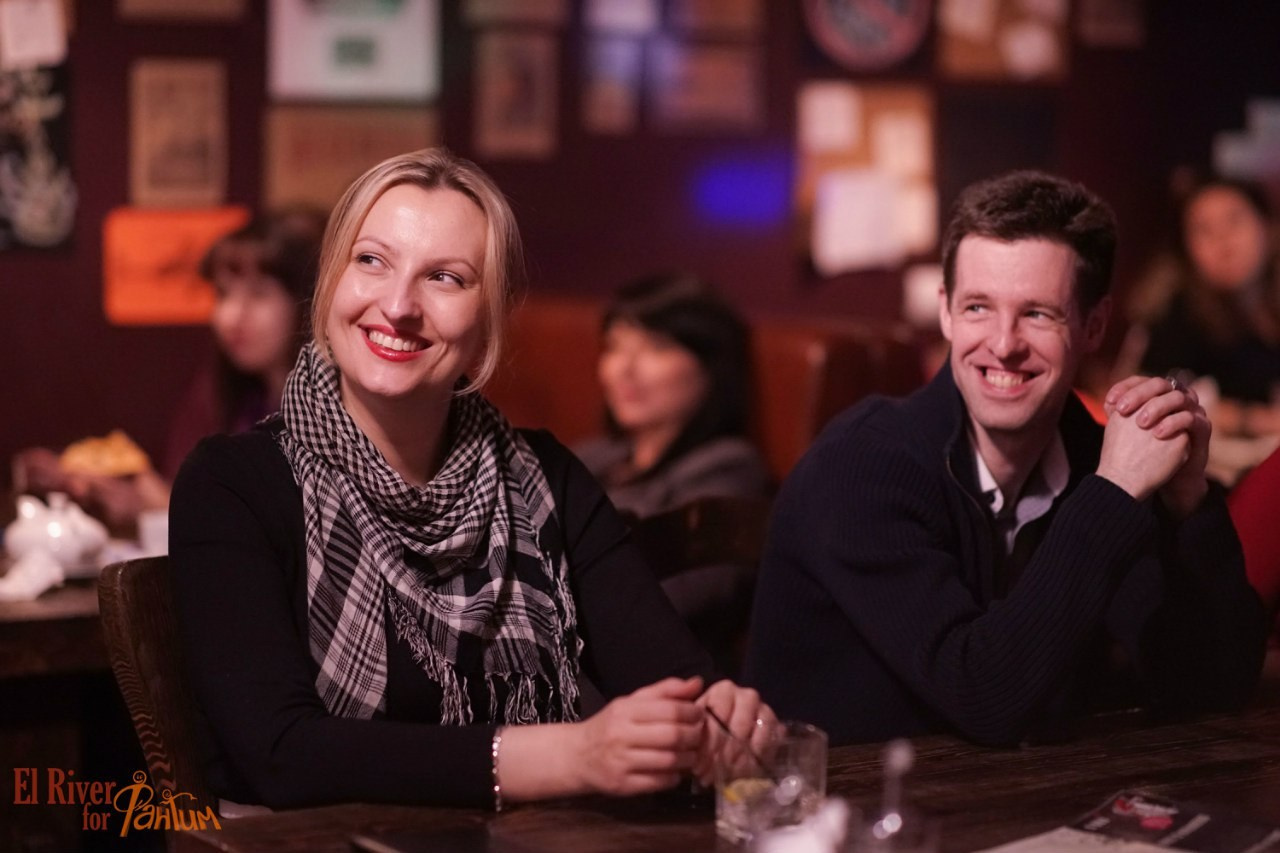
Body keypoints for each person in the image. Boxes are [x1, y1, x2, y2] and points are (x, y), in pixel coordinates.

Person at [169, 148, 772, 811]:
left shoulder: (545, 477)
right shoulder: (231, 484)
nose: (398, 304)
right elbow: (281, 753)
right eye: (371, 261)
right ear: (332, 282)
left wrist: (725, 717)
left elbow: (677, 683)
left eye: (445, 278)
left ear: (489, 320)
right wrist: (573, 754)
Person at [744, 170, 1268, 746]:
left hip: (1021, 795)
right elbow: (983, 695)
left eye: (1038, 313)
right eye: (978, 308)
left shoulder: (1095, 463)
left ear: (1093, 326)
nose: (1002, 344)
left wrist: (1190, 506)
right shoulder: (860, 466)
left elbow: (1212, 687)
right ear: (945, 312)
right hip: (842, 798)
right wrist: (1114, 493)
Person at [12, 208, 325, 532]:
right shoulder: (226, 399)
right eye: (222, 294)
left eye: (258, 294)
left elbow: (286, 536)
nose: (230, 316)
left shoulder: (330, 415)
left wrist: (162, 506)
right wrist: (116, 487)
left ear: (310, 301)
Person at [574, 273, 770, 675]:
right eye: (614, 347)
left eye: (655, 347)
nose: (624, 369)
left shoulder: (730, 469)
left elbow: (666, 601)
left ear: (710, 365)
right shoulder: (591, 456)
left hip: (658, 687)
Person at [1123, 173, 1280, 485]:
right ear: (1186, 248)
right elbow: (1161, 400)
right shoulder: (1174, 317)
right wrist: (1256, 420)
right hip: (1213, 476)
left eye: (1234, 221)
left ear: (1266, 226)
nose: (1224, 241)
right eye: (1204, 230)